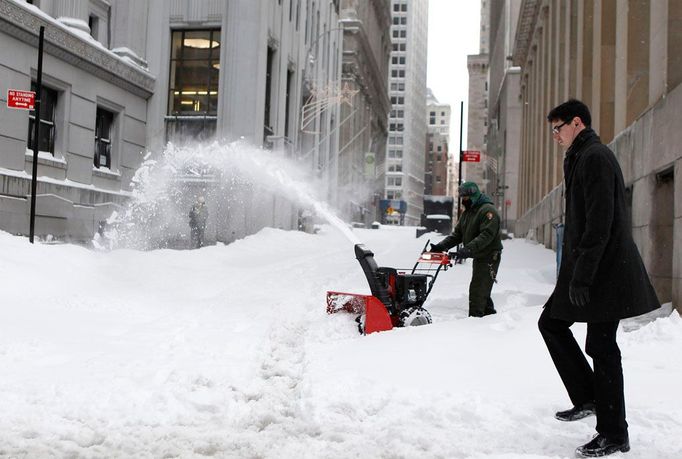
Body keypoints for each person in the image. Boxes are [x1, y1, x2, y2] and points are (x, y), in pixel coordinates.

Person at [539, 99, 660, 457]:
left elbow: (600, 224)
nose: (555, 136)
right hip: (592, 269)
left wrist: (582, 277)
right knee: (552, 323)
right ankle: (590, 397)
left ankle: (614, 433)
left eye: (557, 128)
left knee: (602, 349)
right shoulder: (580, 157)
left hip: (607, 273)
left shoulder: (595, 158)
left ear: (576, 123)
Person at [429, 181, 503, 317]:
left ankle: (475, 322)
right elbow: (457, 235)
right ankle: (489, 320)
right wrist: (441, 246)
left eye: (465, 197)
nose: (463, 200)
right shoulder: (468, 213)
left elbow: (486, 235)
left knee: (478, 290)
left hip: (489, 257)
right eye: (462, 197)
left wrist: (467, 250)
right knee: (482, 290)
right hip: (479, 255)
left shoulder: (487, 211)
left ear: (473, 195)